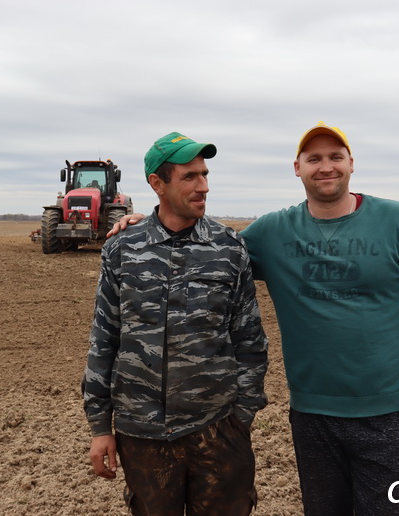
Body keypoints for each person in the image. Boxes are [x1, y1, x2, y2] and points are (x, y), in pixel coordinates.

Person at [110, 122, 399, 515]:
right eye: (314, 159)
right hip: (313, 416)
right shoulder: (274, 231)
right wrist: (149, 225)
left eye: (335, 157)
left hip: (391, 414)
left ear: (351, 164)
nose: (325, 167)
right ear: (298, 168)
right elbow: (211, 249)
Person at [82, 131, 269, 516]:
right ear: (157, 184)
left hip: (218, 431)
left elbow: (250, 341)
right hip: (142, 434)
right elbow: (105, 340)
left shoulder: (229, 248)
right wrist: (101, 427)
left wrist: (241, 417)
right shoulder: (122, 249)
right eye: (190, 177)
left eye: (204, 175)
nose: (203, 186)